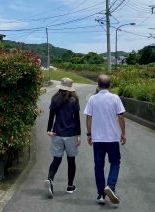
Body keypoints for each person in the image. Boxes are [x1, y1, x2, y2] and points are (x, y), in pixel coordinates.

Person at [84, 74, 126, 205]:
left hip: (98, 139)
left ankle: (101, 195)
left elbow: (88, 117)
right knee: (115, 163)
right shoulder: (115, 98)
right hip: (112, 138)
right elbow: (121, 117)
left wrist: (89, 134)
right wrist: (123, 133)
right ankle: (111, 186)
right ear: (110, 85)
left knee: (99, 166)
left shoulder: (92, 99)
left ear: (98, 85)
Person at [45, 77, 81, 198]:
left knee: (56, 159)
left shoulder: (55, 98)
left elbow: (51, 117)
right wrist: (79, 135)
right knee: (71, 161)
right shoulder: (74, 100)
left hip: (57, 134)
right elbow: (77, 119)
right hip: (71, 134)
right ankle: (70, 186)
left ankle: (50, 179)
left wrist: (48, 130)